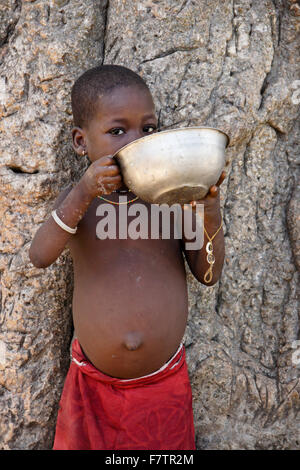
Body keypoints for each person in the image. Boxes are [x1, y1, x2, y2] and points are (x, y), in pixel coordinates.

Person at [29, 65, 226, 450]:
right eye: (118, 131)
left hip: (162, 386)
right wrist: (82, 193)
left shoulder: (171, 202)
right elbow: (40, 256)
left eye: (148, 129)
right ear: (80, 141)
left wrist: (209, 212)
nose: (135, 141)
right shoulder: (80, 205)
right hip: (93, 388)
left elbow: (209, 275)